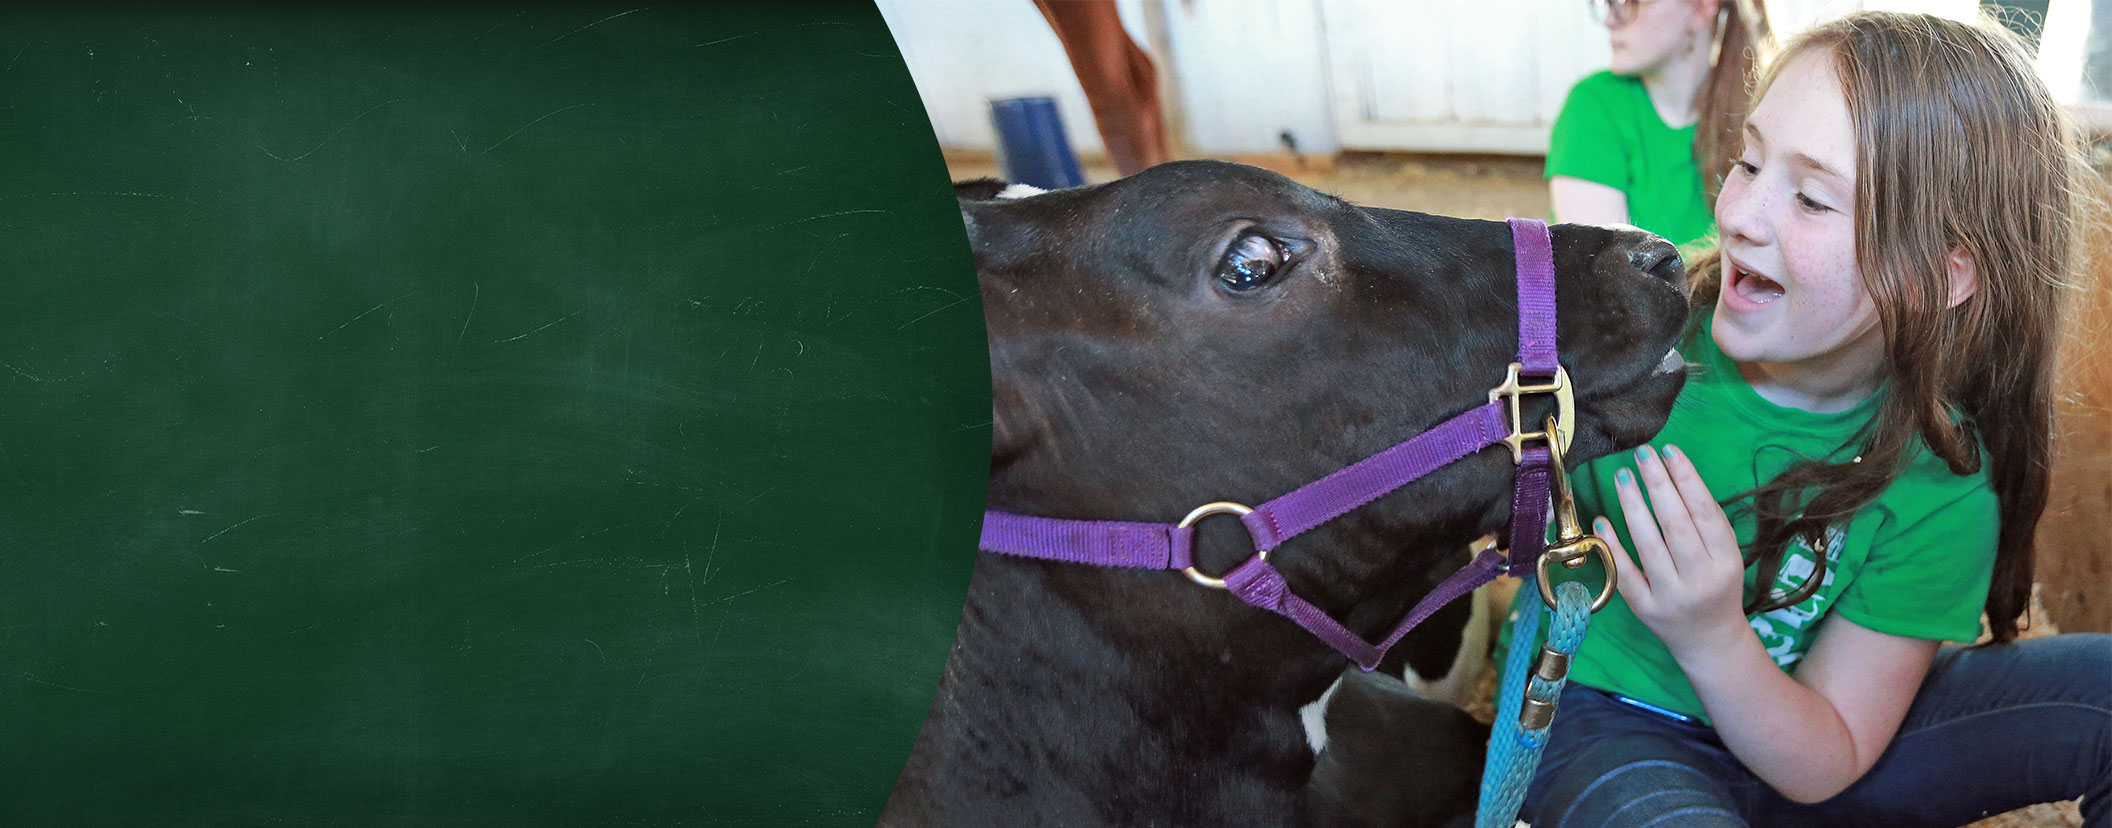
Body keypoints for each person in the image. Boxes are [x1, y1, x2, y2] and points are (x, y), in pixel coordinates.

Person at [1517, 11, 2112, 827]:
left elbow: (1828, 757)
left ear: (1941, 276)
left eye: (1810, 198)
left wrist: (1713, 636)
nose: (1740, 215)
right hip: (1614, 721)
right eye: (1748, 162)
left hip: (1812, 751)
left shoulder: (1944, 480)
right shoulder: (1625, 349)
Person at [1547, 0, 1773, 248]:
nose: (1609, 19)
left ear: (1700, 8)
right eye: (1608, 3)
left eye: (1630, 2)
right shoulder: (1596, 105)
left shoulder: (1762, 114)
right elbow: (1603, 266)